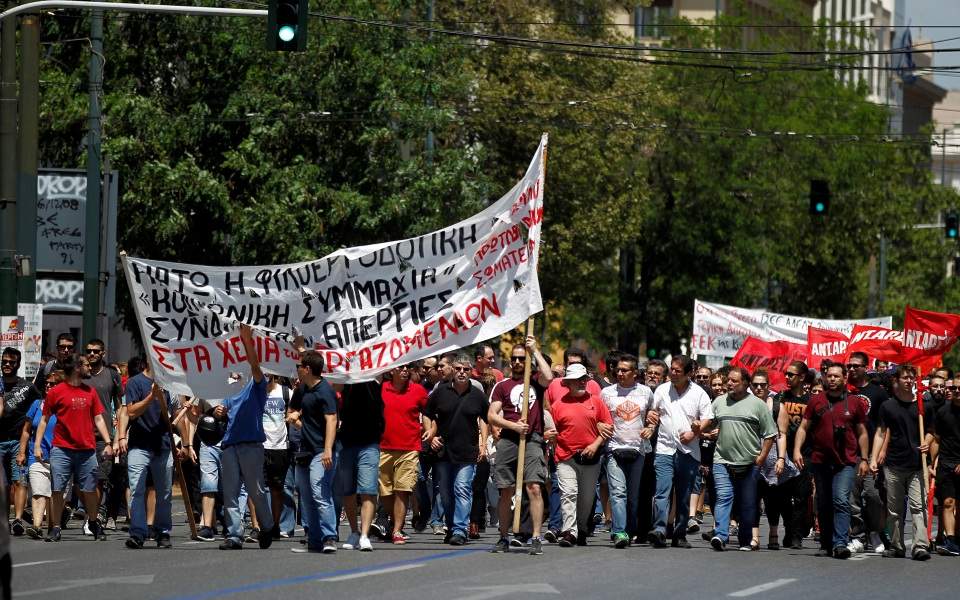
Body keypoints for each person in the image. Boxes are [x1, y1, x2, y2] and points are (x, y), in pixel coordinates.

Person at [33, 352, 114, 542]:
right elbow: (44, 420)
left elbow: (98, 418)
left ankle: (93, 521)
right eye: (86, 365)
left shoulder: (90, 392)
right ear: (77, 368)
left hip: (87, 450)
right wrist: (37, 445)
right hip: (62, 449)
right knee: (58, 489)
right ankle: (55, 527)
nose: (89, 367)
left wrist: (108, 442)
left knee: (90, 489)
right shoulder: (56, 392)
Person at [794, 363, 870, 559]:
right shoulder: (816, 401)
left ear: (845, 378)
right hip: (820, 461)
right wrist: (797, 450)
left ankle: (840, 543)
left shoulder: (855, 403)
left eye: (836, 376)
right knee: (824, 502)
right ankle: (826, 543)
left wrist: (864, 459)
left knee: (841, 500)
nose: (833, 379)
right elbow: (803, 427)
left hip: (846, 462)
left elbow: (862, 433)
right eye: (829, 376)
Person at [487, 336, 555, 555]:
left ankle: (535, 537)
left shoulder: (535, 381)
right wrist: (513, 426)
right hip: (509, 439)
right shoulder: (502, 386)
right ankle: (503, 537)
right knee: (505, 490)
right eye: (514, 359)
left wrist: (534, 350)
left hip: (533, 439)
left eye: (521, 359)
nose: (517, 362)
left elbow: (549, 376)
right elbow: (492, 415)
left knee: (533, 487)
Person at [218, 324, 274, 551]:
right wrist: (219, 411)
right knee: (230, 493)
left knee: (256, 491)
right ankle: (234, 535)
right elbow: (223, 409)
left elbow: (255, 365)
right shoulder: (231, 388)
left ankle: (267, 526)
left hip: (251, 445)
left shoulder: (258, 384)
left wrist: (246, 339)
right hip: (230, 444)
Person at [121, 354, 187, 549]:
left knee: (164, 492)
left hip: (163, 446)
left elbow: (177, 414)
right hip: (139, 445)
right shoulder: (134, 383)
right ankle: (138, 532)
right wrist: (151, 397)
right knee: (137, 489)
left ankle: (162, 531)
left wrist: (186, 443)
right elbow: (131, 412)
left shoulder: (171, 385)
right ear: (148, 360)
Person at [708, 367, 777, 552]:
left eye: (734, 381)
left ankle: (745, 540)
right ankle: (720, 535)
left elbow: (770, 434)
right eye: (728, 380)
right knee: (724, 497)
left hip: (749, 463)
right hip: (722, 460)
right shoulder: (719, 401)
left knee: (747, 502)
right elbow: (709, 422)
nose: (729, 383)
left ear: (745, 384)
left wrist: (761, 457)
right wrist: (699, 428)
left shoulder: (758, 405)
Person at [424, 353, 490, 546]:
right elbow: (427, 413)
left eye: (466, 369)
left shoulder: (477, 394)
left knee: (462, 489)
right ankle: (452, 526)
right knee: (445, 493)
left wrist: (483, 444)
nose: (462, 372)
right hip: (443, 451)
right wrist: (431, 435)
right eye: (458, 369)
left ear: (471, 372)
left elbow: (485, 418)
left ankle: (460, 530)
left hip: (467, 452)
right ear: (453, 370)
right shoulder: (440, 392)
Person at [870, 365, 934, 561]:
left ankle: (920, 546)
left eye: (911, 377)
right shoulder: (887, 406)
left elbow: (932, 431)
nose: (908, 381)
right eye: (904, 377)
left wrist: (927, 441)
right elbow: (880, 433)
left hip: (917, 464)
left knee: (918, 506)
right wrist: (873, 458)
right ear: (896, 381)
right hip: (894, 464)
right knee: (894, 509)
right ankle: (897, 545)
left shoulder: (923, 405)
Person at [649, 355, 713, 548]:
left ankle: (679, 533)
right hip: (664, 449)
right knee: (662, 492)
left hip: (688, 452)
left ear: (689, 373)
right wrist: (651, 416)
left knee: (684, 495)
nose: (673, 373)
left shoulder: (699, 393)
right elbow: (653, 411)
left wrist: (695, 432)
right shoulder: (662, 390)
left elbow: (708, 418)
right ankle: (659, 530)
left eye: (678, 370)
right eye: (672, 369)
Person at [551, 362, 613, 547]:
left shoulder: (597, 402)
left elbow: (609, 427)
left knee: (586, 498)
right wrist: (549, 437)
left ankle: (581, 528)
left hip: (590, 457)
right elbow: (552, 431)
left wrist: (595, 445)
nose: (581, 382)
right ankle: (569, 532)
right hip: (565, 456)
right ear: (567, 383)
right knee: (568, 494)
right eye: (577, 379)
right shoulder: (558, 405)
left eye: (584, 379)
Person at [601, 353, 657, 548]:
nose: (620, 373)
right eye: (618, 370)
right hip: (613, 448)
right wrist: (600, 425)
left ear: (635, 373)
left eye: (624, 370)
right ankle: (619, 532)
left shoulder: (646, 392)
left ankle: (630, 529)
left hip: (638, 450)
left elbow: (653, 416)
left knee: (633, 497)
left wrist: (650, 428)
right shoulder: (606, 393)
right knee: (618, 493)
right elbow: (598, 416)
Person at [288, 348, 339, 554]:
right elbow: (291, 411)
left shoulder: (325, 391)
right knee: (306, 497)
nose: (297, 369)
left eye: (299, 366)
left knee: (320, 492)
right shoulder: (302, 389)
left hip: (321, 450)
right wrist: (296, 421)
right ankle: (315, 540)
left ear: (307, 369)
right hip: (305, 451)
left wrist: (327, 450)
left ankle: (329, 537)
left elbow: (332, 420)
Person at [379, 363, 429, 544]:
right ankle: (394, 522)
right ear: (392, 370)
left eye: (408, 367)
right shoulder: (381, 388)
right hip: (383, 447)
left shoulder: (418, 390)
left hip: (409, 448)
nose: (405, 370)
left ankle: (397, 530)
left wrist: (430, 430)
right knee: (385, 492)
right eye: (401, 367)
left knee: (403, 489)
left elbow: (429, 412)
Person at [846, 351, 890, 552]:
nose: (852, 369)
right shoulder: (845, 391)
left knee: (873, 495)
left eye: (856, 366)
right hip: (850, 452)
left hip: (872, 451)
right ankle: (858, 535)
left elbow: (885, 425)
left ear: (866, 367)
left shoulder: (878, 393)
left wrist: (882, 450)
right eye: (849, 366)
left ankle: (874, 532)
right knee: (852, 496)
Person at [336, 381, 384, 552]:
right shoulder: (345, 381)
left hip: (369, 442)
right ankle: (354, 532)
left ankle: (364, 535)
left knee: (368, 489)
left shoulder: (374, 382)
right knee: (348, 490)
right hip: (347, 442)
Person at [80, 338, 124, 530]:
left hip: (103, 436)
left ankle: (97, 514)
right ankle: (91, 511)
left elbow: (121, 407)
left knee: (100, 478)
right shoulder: (80, 375)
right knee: (80, 480)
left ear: (103, 354)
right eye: (89, 350)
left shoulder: (111, 375)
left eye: (96, 351)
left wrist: (118, 436)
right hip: (80, 435)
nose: (92, 354)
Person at [16, 369, 62, 539]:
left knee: (56, 493)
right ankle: (36, 526)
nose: (48, 386)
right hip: (36, 455)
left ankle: (53, 526)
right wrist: (22, 452)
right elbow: (26, 430)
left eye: (53, 384)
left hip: (61, 455)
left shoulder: (65, 406)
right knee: (38, 491)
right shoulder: (36, 404)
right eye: (47, 383)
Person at [1, 347, 40, 536]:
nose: (7, 365)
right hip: (0, 440)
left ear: (18, 364)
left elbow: (40, 405)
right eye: (4, 361)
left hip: (18, 441)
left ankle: (17, 519)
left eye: (11, 362)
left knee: (19, 481)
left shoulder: (27, 387)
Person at [930, 372, 960, 555]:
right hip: (946, 463)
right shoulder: (943, 412)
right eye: (953, 387)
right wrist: (932, 463)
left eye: (959, 388)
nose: (956, 391)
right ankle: (950, 540)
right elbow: (937, 438)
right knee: (948, 502)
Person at [262, 375, 292, 540]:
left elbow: (298, 409)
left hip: (280, 447)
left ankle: (275, 525)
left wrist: (293, 416)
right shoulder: (255, 392)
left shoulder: (286, 393)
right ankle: (260, 526)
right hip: (259, 446)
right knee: (258, 488)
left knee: (276, 489)